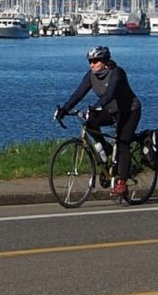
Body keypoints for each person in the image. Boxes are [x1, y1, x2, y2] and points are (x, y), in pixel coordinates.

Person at [54, 46, 142, 196]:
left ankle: (122, 183)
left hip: (129, 110)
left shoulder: (117, 73)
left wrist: (95, 107)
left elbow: (109, 94)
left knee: (122, 143)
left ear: (105, 61)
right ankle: (106, 148)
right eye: (90, 61)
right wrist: (65, 109)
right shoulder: (91, 75)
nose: (91, 64)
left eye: (95, 61)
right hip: (111, 110)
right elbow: (78, 94)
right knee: (89, 122)